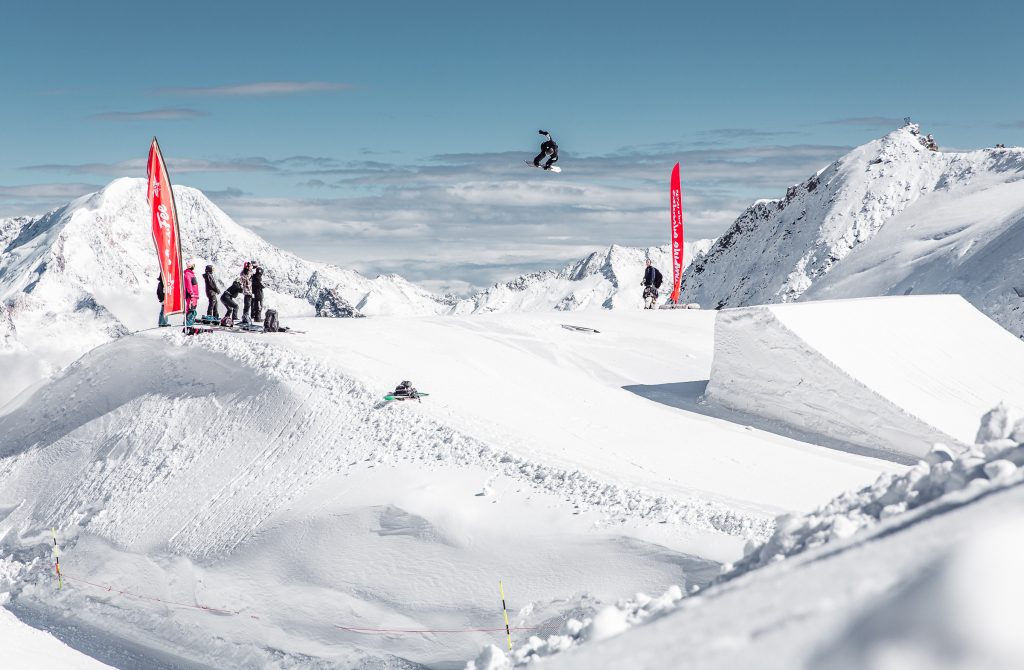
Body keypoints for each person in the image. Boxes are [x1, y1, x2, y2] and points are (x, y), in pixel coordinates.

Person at [239, 261, 254, 325]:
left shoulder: (247, 272)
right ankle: (245, 317)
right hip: (247, 292)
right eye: (250, 266)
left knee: (248, 305)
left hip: (249, 292)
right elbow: (246, 279)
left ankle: (245, 317)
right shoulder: (245, 273)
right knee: (247, 305)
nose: (251, 267)